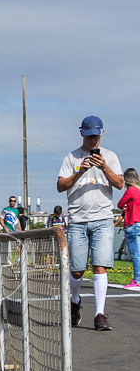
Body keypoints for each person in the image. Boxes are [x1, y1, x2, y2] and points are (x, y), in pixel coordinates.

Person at [57, 115, 123, 331]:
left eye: (96, 135)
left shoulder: (110, 156)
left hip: (103, 218)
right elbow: (60, 186)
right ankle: (75, 301)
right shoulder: (72, 157)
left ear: (101, 133)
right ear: (82, 133)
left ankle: (100, 314)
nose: (93, 140)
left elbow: (120, 184)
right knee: (76, 270)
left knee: (100, 265)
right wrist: (80, 170)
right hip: (78, 219)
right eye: (89, 136)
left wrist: (104, 167)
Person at [116, 168, 140, 291]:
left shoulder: (131, 190)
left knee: (135, 255)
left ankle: (137, 280)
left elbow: (120, 204)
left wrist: (125, 206)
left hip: (132, 224)